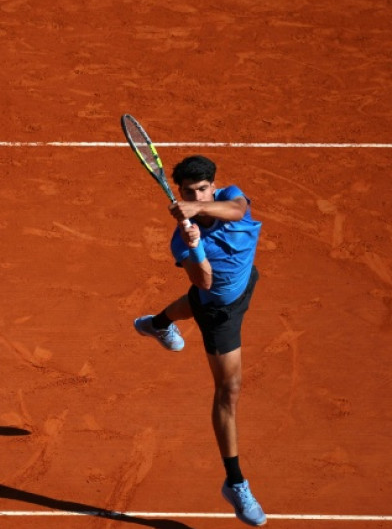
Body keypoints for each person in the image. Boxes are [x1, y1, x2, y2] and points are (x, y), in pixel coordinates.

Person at [134, 155, 266, 527]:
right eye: (188, 191)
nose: (196, 194)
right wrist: (194, 246)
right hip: (219, 313)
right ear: (179, 191)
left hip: (245, 282)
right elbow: (203, 283)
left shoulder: (232, 197)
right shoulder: (181, 241)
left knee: (207, 299)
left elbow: (239, 211)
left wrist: (196, 208)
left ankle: (157, 323)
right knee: (230, 390)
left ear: (214, 186)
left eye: (203, 189)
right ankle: (235, 482)